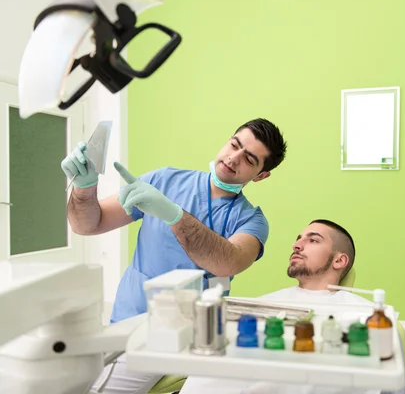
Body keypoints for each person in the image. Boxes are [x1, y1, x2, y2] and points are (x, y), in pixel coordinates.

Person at [61, 118, 286, 393]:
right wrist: (84, 188)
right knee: (61, 375)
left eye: (249, 159)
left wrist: (174, 215)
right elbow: (88, 225)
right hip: (124, 323)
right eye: (234, 145)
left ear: (261, 175)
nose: (234, 157)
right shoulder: (163, 181)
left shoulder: (251, 220)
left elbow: (229, 261)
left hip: (180, 338)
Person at [180, 219, 405, 394]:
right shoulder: (263, 303)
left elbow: (391, 384)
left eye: (313, 240)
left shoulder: (367, 315)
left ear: (339, 261)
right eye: (299, 238)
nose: (296, 245)